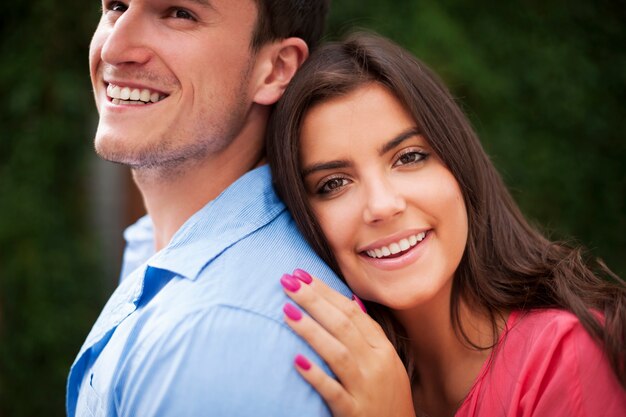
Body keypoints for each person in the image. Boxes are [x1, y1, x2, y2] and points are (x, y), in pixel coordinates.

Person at [267, 32, 626, 417]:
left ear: (458, 164)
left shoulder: (566, 354)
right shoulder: (333, 384)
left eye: (409, 157)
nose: (382, 206)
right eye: (333, 184)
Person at [67, 1, 356, 416]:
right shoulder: (155, 243)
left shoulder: (222, 339)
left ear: (275, 69)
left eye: (179, 13)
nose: (114, 49)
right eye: (116, 6)